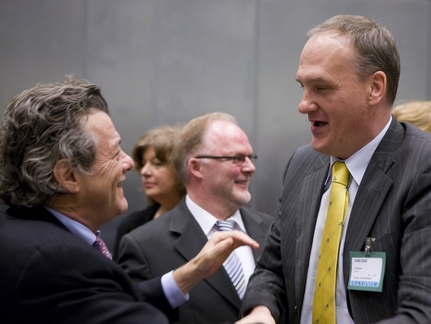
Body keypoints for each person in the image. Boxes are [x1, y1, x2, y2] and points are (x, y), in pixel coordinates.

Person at [238, 14, 431, 324]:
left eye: (321, 88)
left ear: (375, 87)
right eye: (303, 87)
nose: (303, 104)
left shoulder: (428, 167)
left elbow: (428, 310)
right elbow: (272, 269)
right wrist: (261, 310)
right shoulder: (302, 164)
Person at [0, 76, 260, 324]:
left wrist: (188, 274)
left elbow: (110, 302)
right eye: (114, 153)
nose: (129, 163)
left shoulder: (23, 232)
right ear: (68, 176)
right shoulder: (57, 260)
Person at [117, 112, 273, 324]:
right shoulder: (144, 245)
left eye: (250, 157)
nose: (250, 167)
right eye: (236, 158)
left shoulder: (273, 230)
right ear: (196, 167)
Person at [113, 125, 186, 259]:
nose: (144, 171)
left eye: (157, 163)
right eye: (143, 164)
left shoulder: (208, 223)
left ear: (183, 169)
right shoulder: (132, 226)